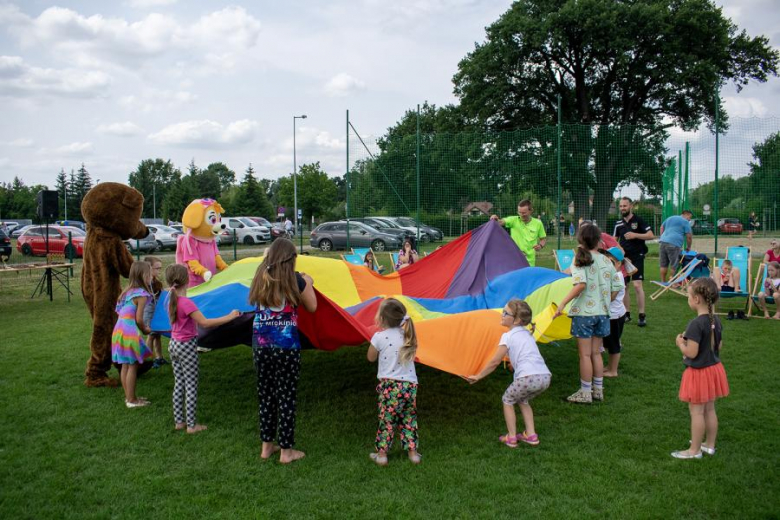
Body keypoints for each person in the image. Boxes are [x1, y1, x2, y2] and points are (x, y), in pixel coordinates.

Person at [249, 238, 317, 464]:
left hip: (260, 346)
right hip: (286, 347)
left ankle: (267, 447)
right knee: (286, 396)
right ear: (291, 259)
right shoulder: (295, 280)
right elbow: (312, 306)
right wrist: (309, 282)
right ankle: (286, 451)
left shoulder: (260, 277)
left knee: (266, 395)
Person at [465, 299, 551, 447]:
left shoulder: (508, 336)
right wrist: (513, 363)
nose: (502, 314)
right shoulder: (527, 334)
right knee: (523, 400)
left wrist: (479, 376)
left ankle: (511, 437)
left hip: (527, 377)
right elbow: (526, 354)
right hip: (544, 377)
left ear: (516, 320)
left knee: (507, 400)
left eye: (506, 313)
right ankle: (531, 435)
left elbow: (495, 362)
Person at [164, 264, 239, 433]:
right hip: (186, 346)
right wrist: (230, 316)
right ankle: (192, 425)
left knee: (179, 383)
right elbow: (204, 323)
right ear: (187, 280)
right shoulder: (186, 303)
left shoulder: (170, 300)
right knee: (191, 384)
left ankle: (179, 422)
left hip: (174, 345)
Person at [554, 224, 622, 404]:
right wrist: (605, 302)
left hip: (584, 315)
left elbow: (580, 285)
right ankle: (598, 391)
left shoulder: (579, 260)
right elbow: (617, 287)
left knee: (584, 355)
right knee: (596, 353)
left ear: (580, 240)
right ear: (599, 241)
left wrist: (562, 303)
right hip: (603, 315)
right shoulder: (607, 260)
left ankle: (585, 393)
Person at [671, 278, 729, 459]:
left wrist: (680, 343)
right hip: (713, 369)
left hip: (699, 373)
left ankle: (694, 450)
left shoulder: (695, 324)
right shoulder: (715, 320)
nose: (688, 299)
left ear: (696, 299)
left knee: (696, 412)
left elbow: (691, 352)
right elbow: (719, 345)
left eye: (688, 296)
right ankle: (709, 445)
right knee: (710, 409)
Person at [367, 298, 421, 465]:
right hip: (410, 386)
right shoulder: (408, 335)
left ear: (382, 318)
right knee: (409, 419)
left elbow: (370, 358)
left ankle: (382, 456)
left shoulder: (379, 337)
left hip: (390, 387)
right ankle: (413, 454)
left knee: (387, 420)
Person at [111, 261, 154, 408]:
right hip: (129, 332)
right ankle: (132, 400)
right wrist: (145, 330)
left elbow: (121, 312)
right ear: (143, 275)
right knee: (133, 366)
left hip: (119, 330)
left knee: (125, 365)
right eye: (149, 274)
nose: (152, 277)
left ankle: (129, 397)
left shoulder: (127, 292)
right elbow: (139, 319)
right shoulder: (141, 295)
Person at [613, 197, 654, 327]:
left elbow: (651, 235)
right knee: (624, 286)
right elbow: (613, 241)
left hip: (637, 256)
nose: (622, 208)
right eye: (620, 206)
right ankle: (626, 314)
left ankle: (642, 315)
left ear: (630, 206)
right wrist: (619, 249)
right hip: (624, 259)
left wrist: (635, 235)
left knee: (637, 285)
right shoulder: (618, 224)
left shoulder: (639, 220)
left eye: (625, 206)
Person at [490, 199, 547, 266]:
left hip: (530, 262)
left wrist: (540, 246)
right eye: (519, 212)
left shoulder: (538, 223)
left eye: (524, 213)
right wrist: (495, 219)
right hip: (514, 260)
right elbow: (500, 222)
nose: (521, 215)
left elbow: (543, 239)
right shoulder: (513, 220)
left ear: (531, 211)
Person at [602, 248, 627, 378]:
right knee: (608, 342)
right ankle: (609, 366)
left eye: (610, 261)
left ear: (618, 264)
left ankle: (613, 371)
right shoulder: (612, 275)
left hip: (614, 316)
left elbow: (611, 297)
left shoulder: (617, 277)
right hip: (612, 314)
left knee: (614, 344)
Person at [142, 256, 167, 369]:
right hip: (148, 313)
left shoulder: (156, 282)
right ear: (149, 268)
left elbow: (161, 294)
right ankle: (148, 360)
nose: (159, 271)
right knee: (151, 335)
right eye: (157, 268)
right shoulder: (144, 283)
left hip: (156, 312)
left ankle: (159, 357)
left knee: (157, 335)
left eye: (160, 268)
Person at [658, 210, 693, 282]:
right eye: (689, 217)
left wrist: (662, 237)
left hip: (662, 242)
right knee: (675, 264)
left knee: (663, 264)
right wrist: (689, 247)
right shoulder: (685, 221)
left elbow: (661, 227)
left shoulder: (670, 218)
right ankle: (673, 282)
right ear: (686, 214)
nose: (689, 219)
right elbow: (689, 236)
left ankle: (663, 282)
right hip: (674, 244)